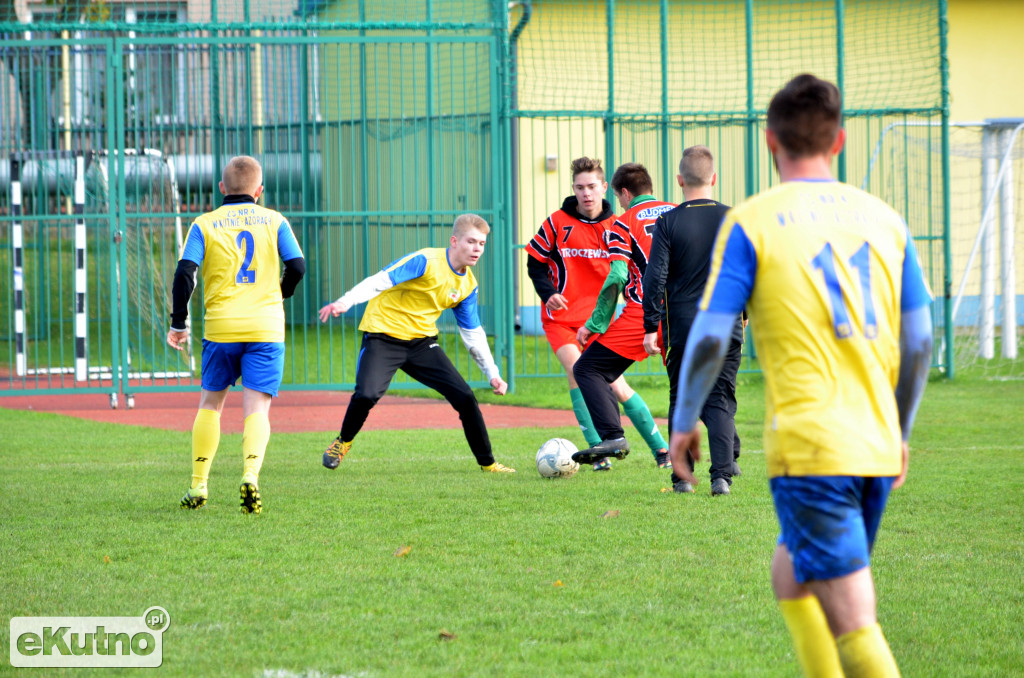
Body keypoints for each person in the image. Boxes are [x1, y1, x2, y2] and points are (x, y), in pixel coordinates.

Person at [668, 74, 933, 677]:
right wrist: (899, 430)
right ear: (838, 142)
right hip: (872, 442)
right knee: (790, 574)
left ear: (770, 142)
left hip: (814, 448)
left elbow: (710, 332)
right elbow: (920, 341)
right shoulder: (885, 219)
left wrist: (684, 420)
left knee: (852, 616)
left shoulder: (754, 221)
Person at [318, 213, 515, 473]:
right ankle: (342, 442)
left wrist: (492, 374)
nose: (477, 249)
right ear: (454, 241)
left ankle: (488, 464)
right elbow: (381, 280)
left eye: (482, 244)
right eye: (471, 241)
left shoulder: (468, 285)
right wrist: (345, 302)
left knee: (465, 397)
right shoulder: (426, 261)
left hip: (421, 344)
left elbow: (472, 333)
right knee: (366, 394)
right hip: (383, 336)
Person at [169, 155, 306, 514]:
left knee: (210, 405)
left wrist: (178, 322)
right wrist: (281, 292)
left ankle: (199, 484)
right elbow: (297, 266)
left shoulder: (204, 223)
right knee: (257, 408)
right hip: (266, 327)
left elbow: (185, 273)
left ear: (221, 188)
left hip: (222, 328)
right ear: (259, 190)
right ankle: (250, 475)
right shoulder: (274, 220)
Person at [525, 157, 668, 471]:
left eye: (591, 186)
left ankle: (661, 450)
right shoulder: (556, 222)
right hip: (561, 320)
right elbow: (535, 263)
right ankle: (599, 452)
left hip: (599, 321)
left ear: (605, 188)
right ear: (573, 189)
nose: (586, 193)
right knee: (576, 370)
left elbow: (625, 273)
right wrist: (548, 294)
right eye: (579, 187)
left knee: (617, 386)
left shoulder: (619, 224)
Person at [641, 146, 743, 496]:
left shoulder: (667, 222)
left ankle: (683, 478)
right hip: (726, 324)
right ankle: (721, 477)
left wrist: (650, 325)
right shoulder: (733, 218)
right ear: (714, 178)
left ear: (680, 180)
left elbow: (655, 277)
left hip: (683, 327)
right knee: (721, 398)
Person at [569, 163, 675, 468]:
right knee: (689, 386)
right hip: (686, 312)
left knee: (588, 369)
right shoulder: (677, 211)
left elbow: (617, 275)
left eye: (617, 197)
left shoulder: (623, 223)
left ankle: (613, 437)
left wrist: (596, 323)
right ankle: (726, 461)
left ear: (624, 193)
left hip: (644, 312)